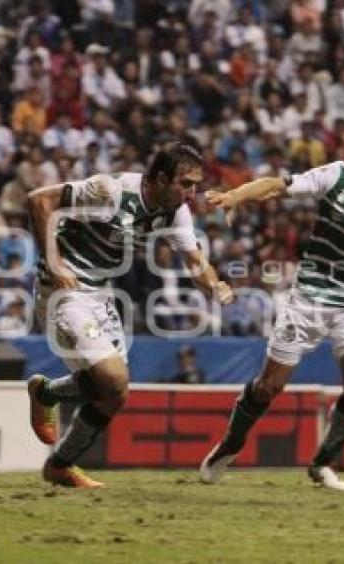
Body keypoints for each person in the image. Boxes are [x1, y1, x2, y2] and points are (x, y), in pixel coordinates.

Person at [200, 111, 344, 491]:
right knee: (268, 388)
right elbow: (278, 185)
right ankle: (231, 443)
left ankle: (323, 463)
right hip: (309, 297)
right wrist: (235, 195)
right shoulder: (339, 176)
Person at [26, 143, 233, 488]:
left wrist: (215, 285)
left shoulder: (175, 211)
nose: (191, 193)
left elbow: (197, 263)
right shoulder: (110, 191)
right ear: (161, 179)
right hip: (65, 290)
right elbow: (38, 200)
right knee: (113, 379)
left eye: (196, 184)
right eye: (186, 183)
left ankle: (59, 464)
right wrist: (54, 260)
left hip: (100, 294)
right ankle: (46, 395)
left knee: (115, 395)